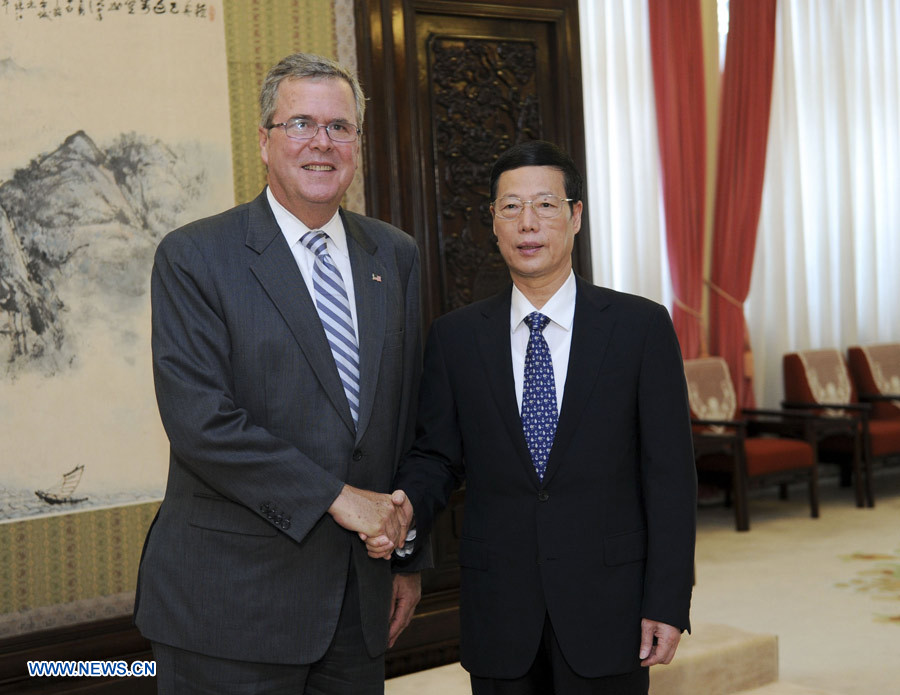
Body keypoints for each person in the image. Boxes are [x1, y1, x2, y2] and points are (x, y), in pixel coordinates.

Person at [134, 52, 425, 694]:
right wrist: (338, 498)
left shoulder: (394, 254)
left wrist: (407, 554)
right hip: (231, 610)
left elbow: (405, 418)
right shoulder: (195, 256)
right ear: (264, 142)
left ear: (357, 143)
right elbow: (201, 423)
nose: (321, 142)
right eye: (300, 123)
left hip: (358, 603)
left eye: (339, 127)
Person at [368, 140, 697, 694]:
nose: (528, 223)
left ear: (575, 217)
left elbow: (669, 475)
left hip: (609, 606)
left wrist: (667, 599)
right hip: (500, 606)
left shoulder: (640, 328)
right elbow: (437, 456)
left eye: (545, 205)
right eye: (510, 207)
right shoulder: (456, 337)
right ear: (493, 223)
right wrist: (403, 510)